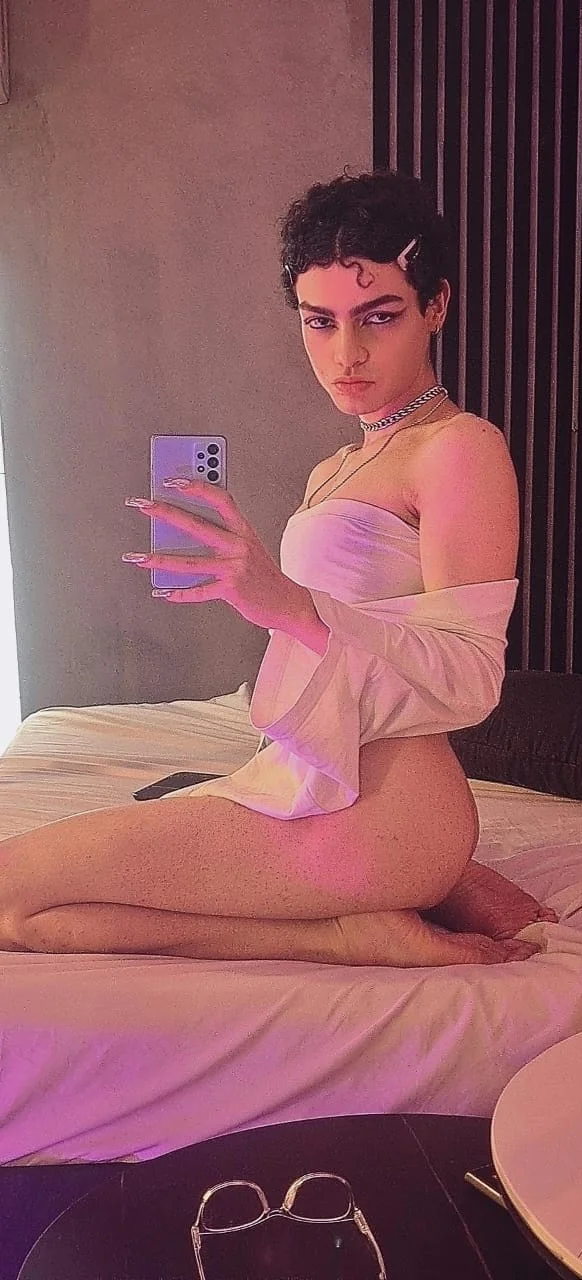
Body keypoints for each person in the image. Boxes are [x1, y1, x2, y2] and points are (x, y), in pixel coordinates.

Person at [0, 170, 554, 965]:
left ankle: (366, 921)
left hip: (390, 809)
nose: (346, 353)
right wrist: (271, 605)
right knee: (25, 919)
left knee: (9, 887)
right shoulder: (335, 469)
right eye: (319, 321)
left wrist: (289, 604)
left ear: (436, 305)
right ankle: (347, 932)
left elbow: (470, 680)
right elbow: (324, 669)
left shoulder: (460, 450)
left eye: (380, 316)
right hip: (307, 780)